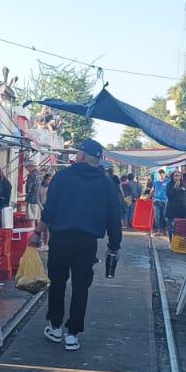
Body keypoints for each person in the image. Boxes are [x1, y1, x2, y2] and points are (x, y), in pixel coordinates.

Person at [39, 139, 125, 351]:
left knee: (57, 282)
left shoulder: (62, 177)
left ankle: (56, 326)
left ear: (83, 156)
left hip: (60, 239)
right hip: (87, 242)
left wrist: (38, 233)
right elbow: (114, 216)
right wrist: (115, 244)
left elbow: (49, 208)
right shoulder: (106, 183)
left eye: (78, 153)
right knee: (81, 287)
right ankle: (73, 334)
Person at [165, 170, 186, 236]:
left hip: (182, 210)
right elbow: (168, 195)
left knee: (181, 228)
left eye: (178, 176)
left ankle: (178, 244)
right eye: (175, 176)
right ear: (172, 177)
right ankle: (171, 243)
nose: (177, 177)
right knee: (171, 228)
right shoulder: (169, 184)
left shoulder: (183, 184)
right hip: (172, 210)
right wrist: (174, 188)